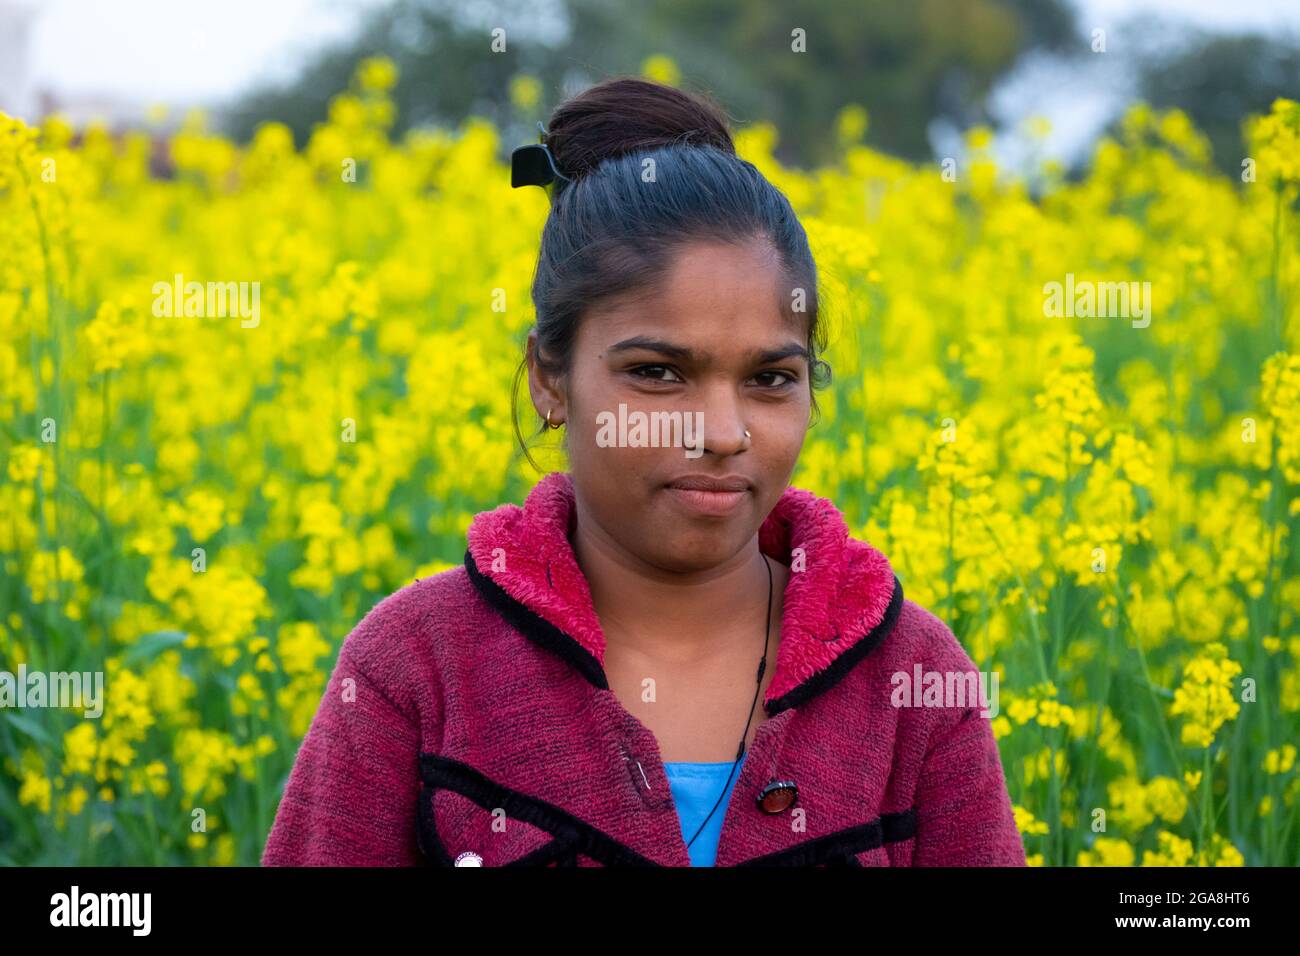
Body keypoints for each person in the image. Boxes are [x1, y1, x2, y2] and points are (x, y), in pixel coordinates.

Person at [262, 76, 1026, 867]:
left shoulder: (915, 682)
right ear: (548, 379)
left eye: (770, 380)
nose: (723, 434)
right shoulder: (414, 670)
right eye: (659, 373)